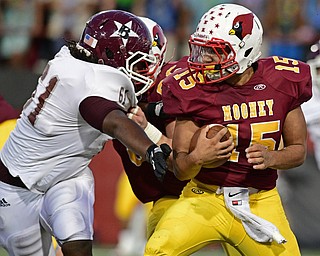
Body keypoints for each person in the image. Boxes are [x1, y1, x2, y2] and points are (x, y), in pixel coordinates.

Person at [145, 3, 312, 255]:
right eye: (202, 50)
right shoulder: (192, 88)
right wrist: (197, 157)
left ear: (245, 50)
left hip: (259, 200)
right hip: (204, 198)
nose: (203, 60)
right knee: (158, 250)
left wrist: (272, 157)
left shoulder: (282, 80)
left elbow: (298, 150)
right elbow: (180, 169)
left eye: (215, 52)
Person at [0, 10, 171, 256]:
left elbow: (117, 104)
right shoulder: (88, 82)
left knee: (78, 246)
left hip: (68, 175)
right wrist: (150, 148)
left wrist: (156, 109)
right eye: (137, 61)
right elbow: (110, 118)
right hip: (18, 186)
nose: (144, 71)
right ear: (111, 53)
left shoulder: (74, 60)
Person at [112, 16, 191, 256]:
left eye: (137, 65)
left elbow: (181, 159)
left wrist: (147, 128)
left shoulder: (170, 85)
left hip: (199, 191)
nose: (129, 73)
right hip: (162, 194)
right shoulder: (109, 88)